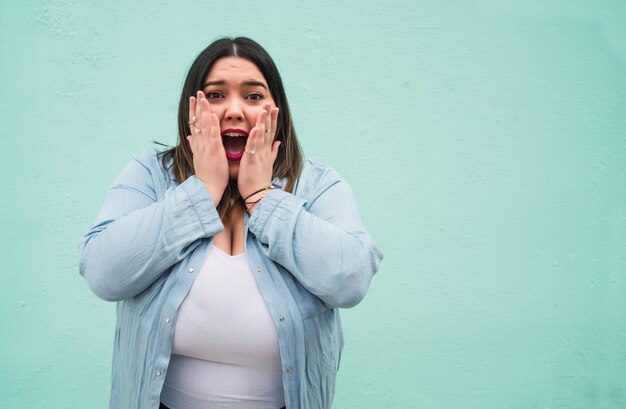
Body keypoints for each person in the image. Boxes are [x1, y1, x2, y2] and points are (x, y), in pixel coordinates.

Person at [78, 36, 382, 409]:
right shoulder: (150, 175)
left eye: (253, 96)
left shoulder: (317, 183)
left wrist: (262, 198)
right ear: (191, 110)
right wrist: (202, 190)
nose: (235, 110)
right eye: (216, 95)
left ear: (277, 110)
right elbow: (102, 273)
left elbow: (350, 280)